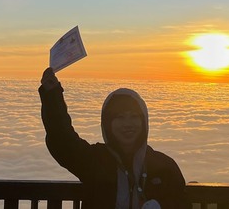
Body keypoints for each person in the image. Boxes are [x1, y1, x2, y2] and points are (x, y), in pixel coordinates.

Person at [39, 67, 188, 209]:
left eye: (134, 116)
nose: (127, 124)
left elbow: (181, 203)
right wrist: (52, 95)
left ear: (144, 122)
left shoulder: (165, 167)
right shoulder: (94, 161)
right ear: (108, 124)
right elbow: (62, 140)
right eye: (120, 117)